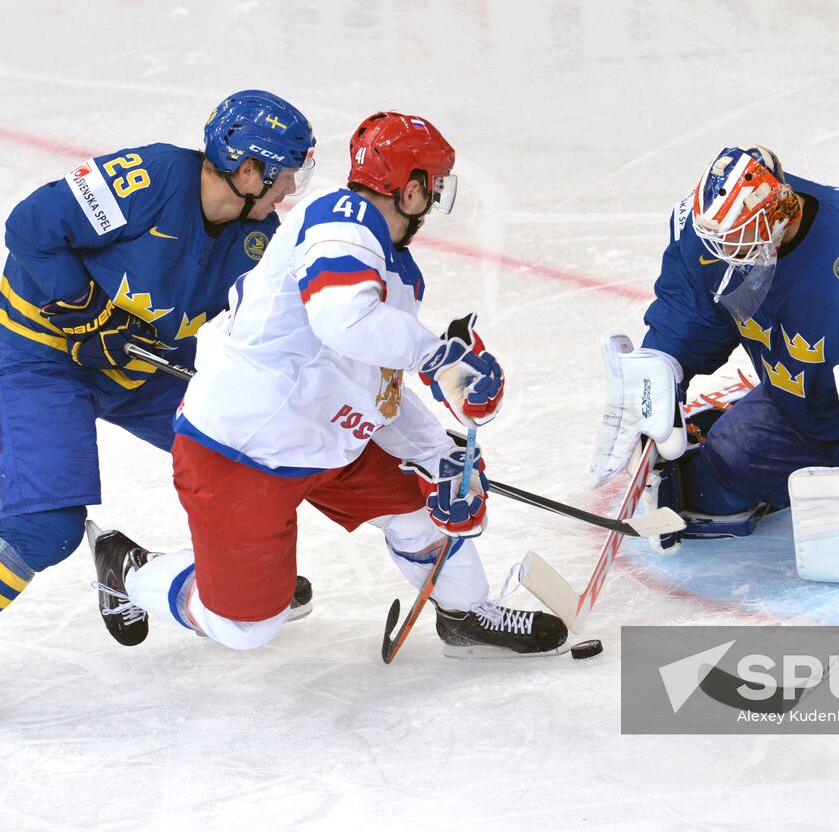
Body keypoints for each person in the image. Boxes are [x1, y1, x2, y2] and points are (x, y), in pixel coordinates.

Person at [0, 90, 317, 722]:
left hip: (136, 368)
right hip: (41, 358)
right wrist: (81, 307)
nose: (290, 191)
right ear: (247, 170)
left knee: (252, 449)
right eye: (284, 175)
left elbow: (264, 328)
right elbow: (30, 224)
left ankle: (197, 580)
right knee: (46, 527)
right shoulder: (147, 179)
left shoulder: (257, 238)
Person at [88, 112, 568, 659]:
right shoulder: (340, 220)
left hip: (330, 441)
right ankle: (133, 572)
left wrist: (437, 457)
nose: (433, 203)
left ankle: (466, 613)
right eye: (433, 188)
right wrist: (438, 356)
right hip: (245, 452)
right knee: (246, 627)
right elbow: (344, 319)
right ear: (411, 189)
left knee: (422, 511)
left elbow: (376, 383)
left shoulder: (394, 268)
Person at [590, 145, 839, 551]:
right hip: (794, 410)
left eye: (741, 243)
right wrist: (660, 365)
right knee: (700, 500)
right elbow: (690, 307)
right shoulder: (712, 233)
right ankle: (711, 429)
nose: (727, 257)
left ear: (783, 213)